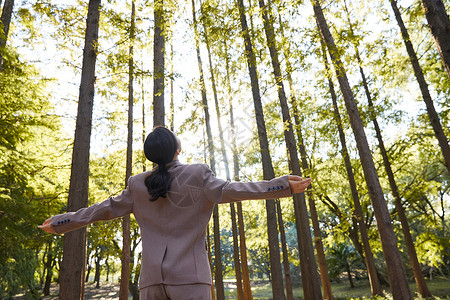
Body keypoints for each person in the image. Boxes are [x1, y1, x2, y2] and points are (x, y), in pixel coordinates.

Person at [39, 126, 312, 300]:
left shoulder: (137, 184)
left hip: (151, 284)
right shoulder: (198, 174)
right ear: (178, 150)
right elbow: (238, 189)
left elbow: (102, 209)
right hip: (191, 281)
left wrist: (63, 221)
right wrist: (281, 186)